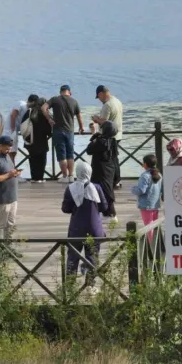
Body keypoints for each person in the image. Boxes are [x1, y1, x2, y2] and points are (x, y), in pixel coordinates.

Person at [61, 162, 107, 293]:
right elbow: (104, 207)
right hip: (94, 229)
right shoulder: (97, 188)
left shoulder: (70, 188)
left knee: (73, 257)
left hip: (76, 228)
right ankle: (90, 285)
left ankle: (69, 287)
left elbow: (65, 209)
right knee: (92, 256)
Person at [42, 85, 85, 183]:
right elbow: (79, 116)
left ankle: (64, 176)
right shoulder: (74, 101)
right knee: (70, 154)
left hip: (58, 131)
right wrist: (81, 127)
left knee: (62, 155)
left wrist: (49, 119)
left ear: (60, 91)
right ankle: (71, 176)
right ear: (69, 92)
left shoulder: (55, 99)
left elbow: (43, 108)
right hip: (70, 131)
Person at [0, 135, 21, 239]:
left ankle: (8, 249)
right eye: (6, 148)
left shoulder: (8, 157)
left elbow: (9, 171)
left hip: (13, 197)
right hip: (2, 198)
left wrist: (15, 173)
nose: (8, 150)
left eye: (10, 148)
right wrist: (8, 175)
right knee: (0, 226)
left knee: (10, 224)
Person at [91, 85, 124, 188]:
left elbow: (104, 122)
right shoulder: (117, 101)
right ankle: (117, 180)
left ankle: (113, 181)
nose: (99, 100)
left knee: (109, 159)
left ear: (101, 94)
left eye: (99, 97)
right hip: (118, 134)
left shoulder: (107, 105)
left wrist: (96, 119)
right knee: (115, 158)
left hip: (109, 136)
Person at [86, 120, 118, 220]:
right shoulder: (113, 141)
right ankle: (109, 213)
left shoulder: (101, 141)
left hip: (100, 169)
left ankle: (109, 213)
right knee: (108, 190)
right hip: (111, 168)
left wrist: (95, 136)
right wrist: (95, 134)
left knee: (101, 191)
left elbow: (89, 150)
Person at [131, 154, 163, 244]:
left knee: (148, 226)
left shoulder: (145, 175)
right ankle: (156, 244)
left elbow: (141, 190)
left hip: (146, 205)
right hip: (156, 204)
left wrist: (133, 189)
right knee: (154, 225)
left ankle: (152, 246)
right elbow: (162, 189)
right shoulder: (159, 174)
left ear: (145, 164)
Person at [23, 94, 52, 183]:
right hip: (41, 139)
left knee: (32, 159)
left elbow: (23, 124)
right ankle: (40, 177)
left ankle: (33, 177)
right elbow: (48, 127)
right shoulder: (43, 112)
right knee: (41, 159)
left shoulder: (28, 112)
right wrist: (49, 133)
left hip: (30, 139)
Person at [6, 100, 28, 164]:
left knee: (13, 153)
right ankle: (10, 172)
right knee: (9, 153)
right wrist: (12, 128)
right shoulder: (21, 103)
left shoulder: (28, 109)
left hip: (14, 131)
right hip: (10, 131)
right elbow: (13, 115)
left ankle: (12, 171)